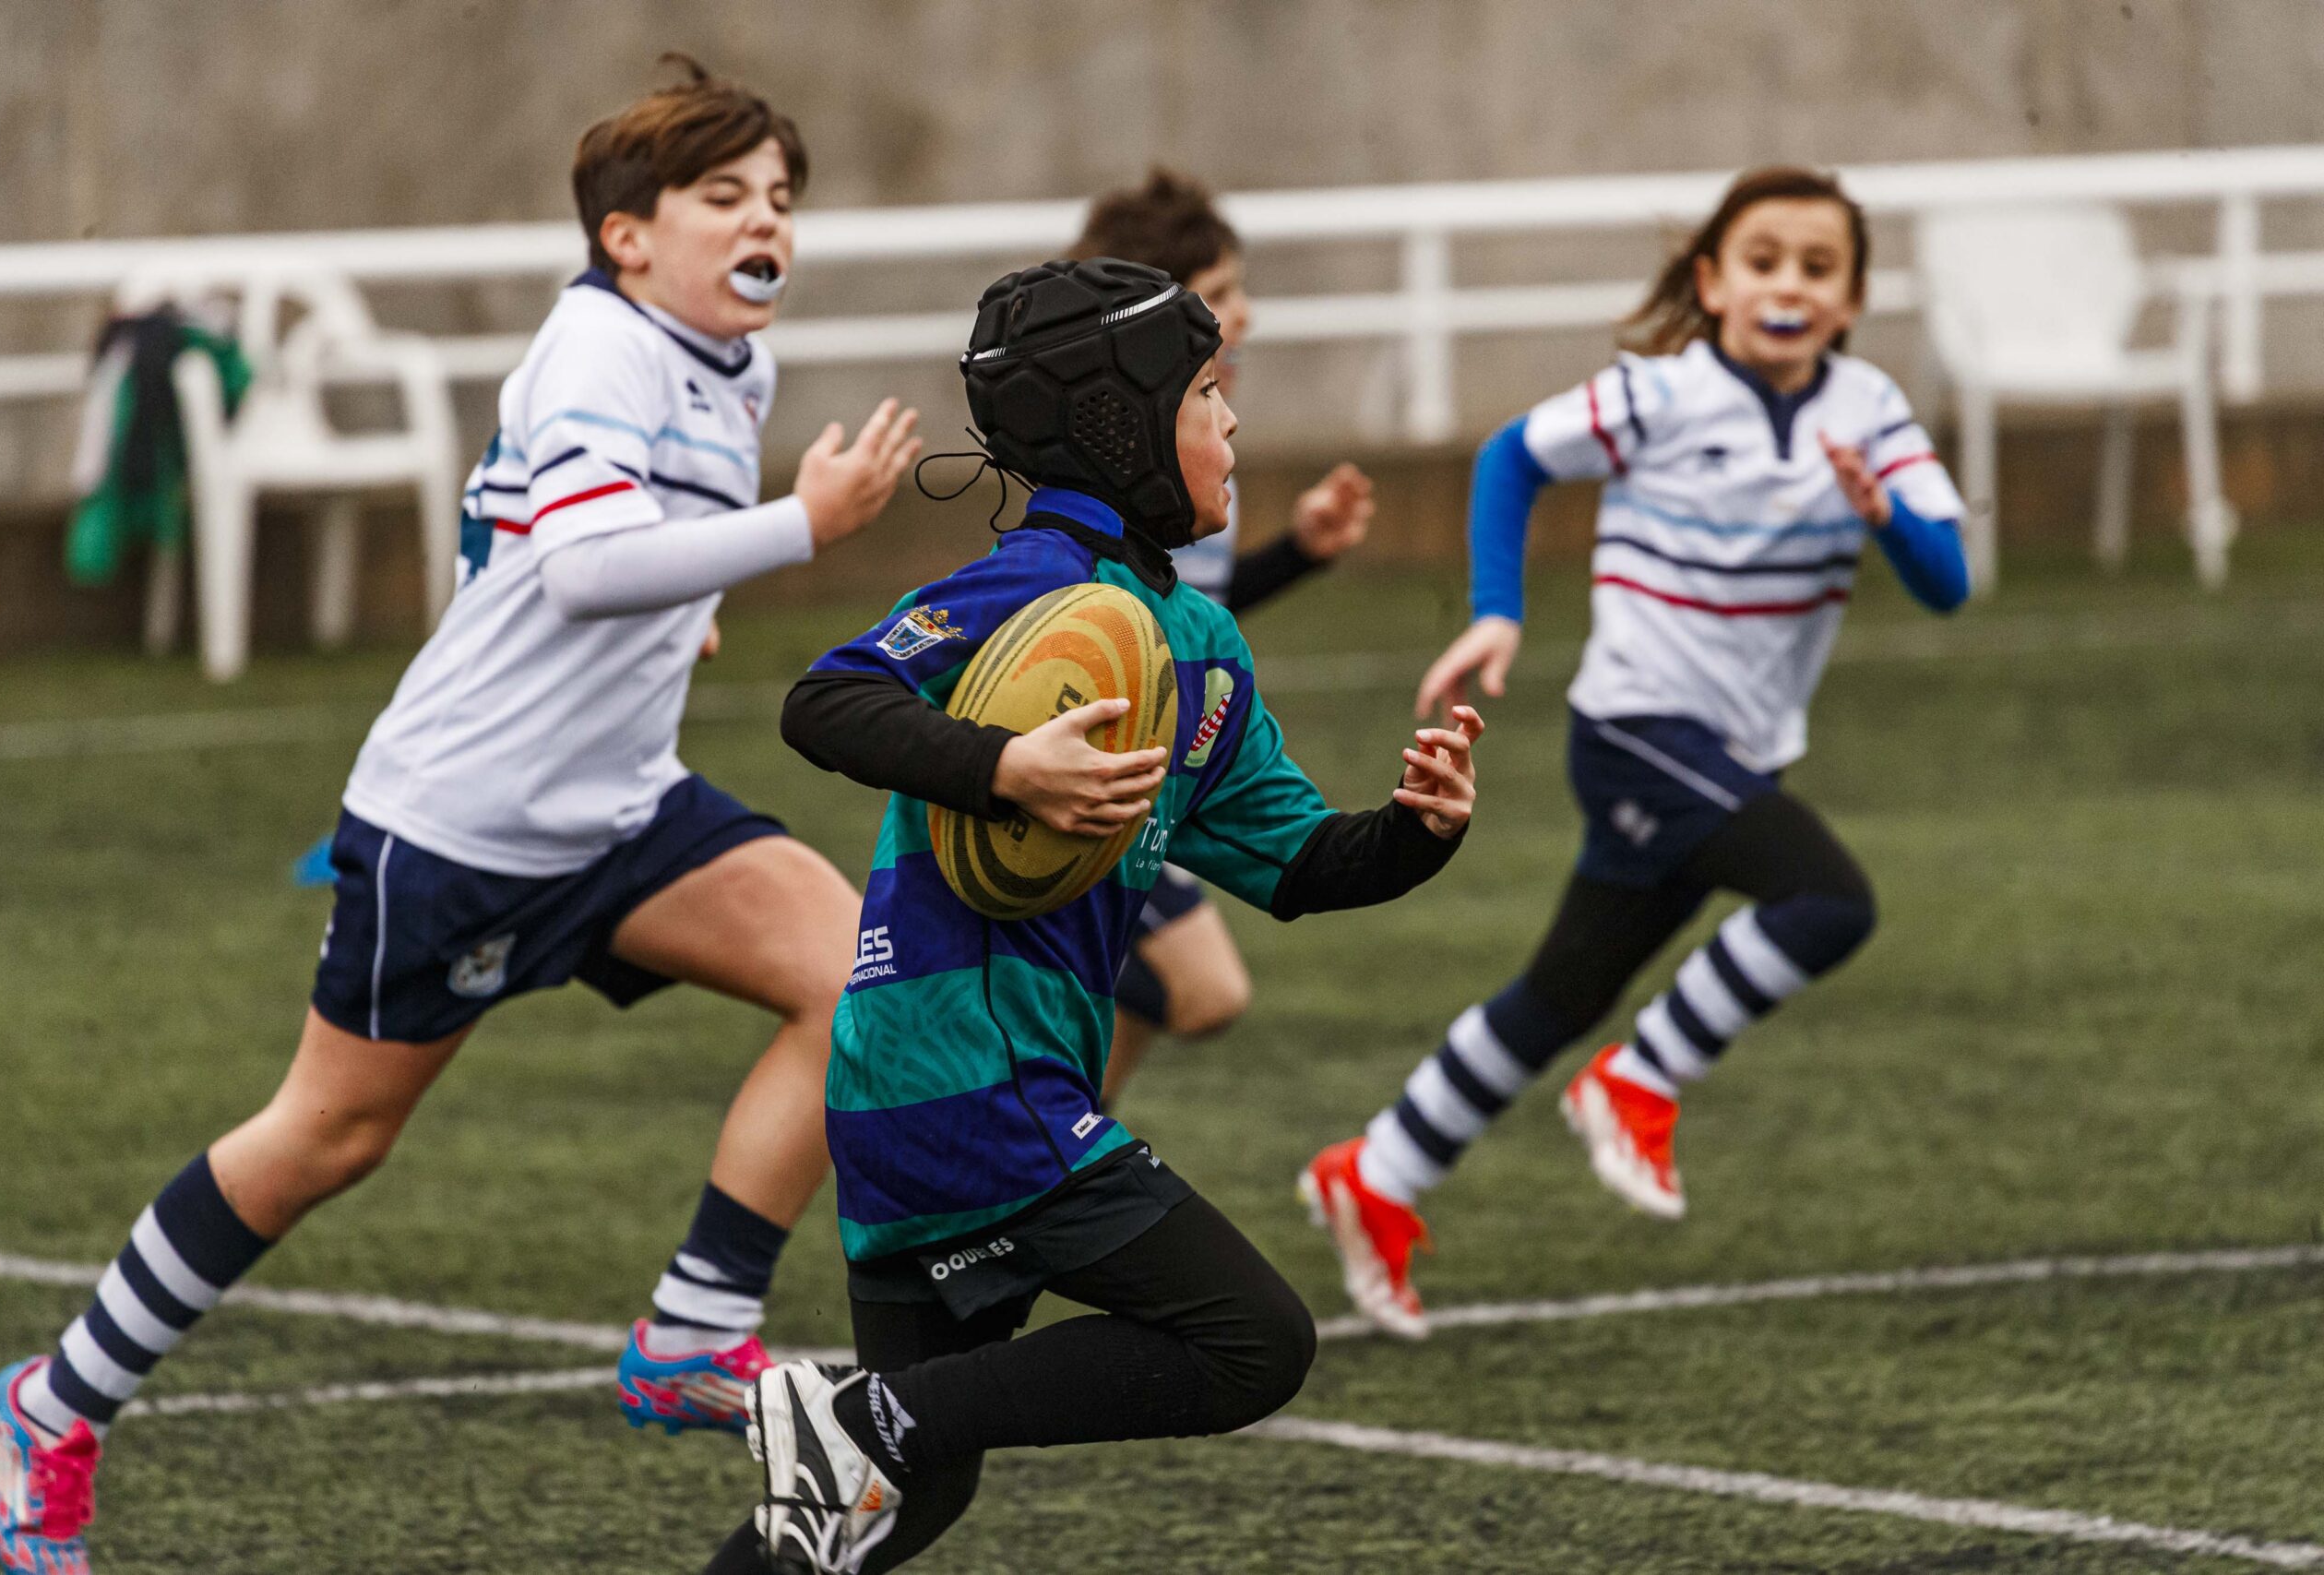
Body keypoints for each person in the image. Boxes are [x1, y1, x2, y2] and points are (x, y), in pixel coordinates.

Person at [0, 58, 921, 1573]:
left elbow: (579, 546)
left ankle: (695, 1328)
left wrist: (703, 592)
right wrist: (801, 527)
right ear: (629, 234)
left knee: (866, 972)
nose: (767, 226)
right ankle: (53, 1401)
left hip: (623, 811)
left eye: (782, 200)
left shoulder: (717, 358)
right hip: (468, 826)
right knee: (331, 1133)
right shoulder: (598, 348)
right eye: (725, 197)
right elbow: (580, 567)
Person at [711, 257, 1482, 1573]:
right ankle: (853, 1402)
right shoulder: (1040, 588)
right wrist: (1004, 766)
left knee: (915, 1488)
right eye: (1209, 391)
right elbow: (826, 699)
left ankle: (861, 1423)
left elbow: (1294, 863)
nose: (1234, 422)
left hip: (921, 1086)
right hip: (967, 1069)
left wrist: (1415, 831)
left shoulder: (1197, 641)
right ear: (1125, 426)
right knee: (1252, 1338)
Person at [1300, 166, 1971, 1340]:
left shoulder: (1870, 410)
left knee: (1564, 990)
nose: (1788, 286)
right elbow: (1512, 454)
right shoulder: (1658, 394)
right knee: (1826, 901)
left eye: (1818, 269)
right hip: (1638, 731)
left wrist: (1886, 516)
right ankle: (1641, 1081)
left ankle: (1382, 1170)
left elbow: (1947, 583)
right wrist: (1499, 607)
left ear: (1853, 299)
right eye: (1762, 261)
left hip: (1736, 755)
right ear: (1711, 282)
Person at [1067, 171, 1377, 1103]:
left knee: (1186, 997)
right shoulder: (1129, 441)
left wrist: (1298, 553)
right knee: (1201, 989)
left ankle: (1058, 1145)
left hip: (1163, 758)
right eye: (1224, 291)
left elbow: (1189, 609)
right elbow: (1095, 616)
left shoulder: (1202, 412)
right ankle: (1042, 1135)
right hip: (1107, 760)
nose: (1245, 313)